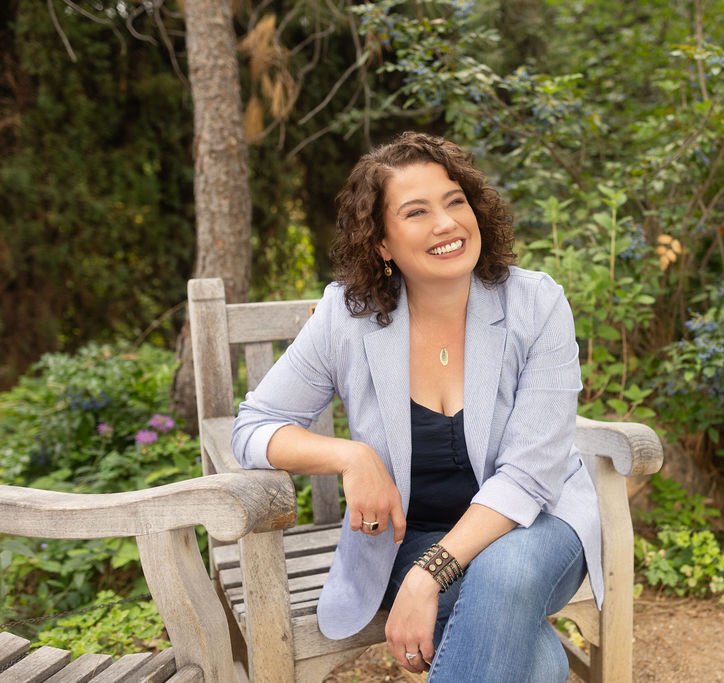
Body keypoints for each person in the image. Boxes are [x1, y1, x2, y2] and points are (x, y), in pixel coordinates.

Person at [231, 131, 603, 682]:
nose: (448, 223)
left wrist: (430, 577)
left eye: (456, 201)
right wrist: (353, 458)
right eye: (417, 212)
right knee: (534, 662)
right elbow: (253, 429)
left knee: (504, 574)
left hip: (541, 529)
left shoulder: (535, 303)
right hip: (412, 539)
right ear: (382, 243)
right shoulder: (347, 318)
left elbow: (529, 476)